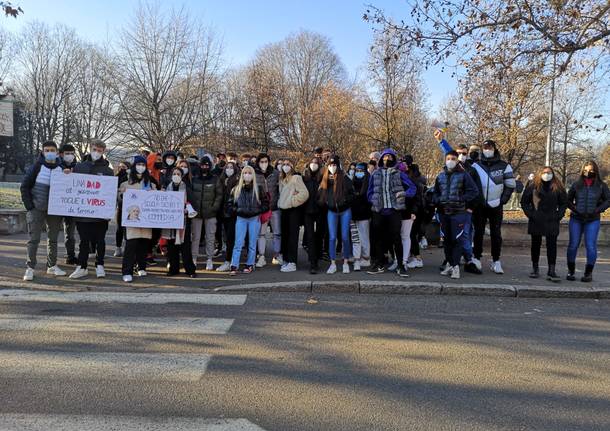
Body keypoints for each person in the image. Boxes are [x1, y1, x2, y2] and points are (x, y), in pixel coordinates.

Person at [20, 141, 67, 281]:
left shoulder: (61, 168)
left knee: (52, 239)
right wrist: (30, 206)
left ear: (57, 152)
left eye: (52, 150)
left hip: (54, 210)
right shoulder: (36, 167)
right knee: (33, 239)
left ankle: (52, 266)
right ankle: (30, 268)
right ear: (42, 151)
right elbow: (24, 187)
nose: (50, 152)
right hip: (36, 209)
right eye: (47, 150)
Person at [69, 139, 114, 279]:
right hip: (82, 214)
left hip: (100, 214)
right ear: (90, 149)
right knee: (83, 241)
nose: (97, 153)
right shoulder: (79, 167)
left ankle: (99, 265)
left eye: (100, 151)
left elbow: (110, 193)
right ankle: (82, 266)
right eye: (94, 149)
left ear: (103, 152)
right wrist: (66, 174)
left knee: (100, 240)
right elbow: (71, 186)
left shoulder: (108, 171)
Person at [366, 148, 416, 276]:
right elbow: (369, 191)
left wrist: (404, 194)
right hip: (379, 211)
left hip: (394, 210)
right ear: (381, 158)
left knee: (396, 238)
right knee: (378, 239)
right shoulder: (376, 174)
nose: (387, 159)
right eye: (385, 156)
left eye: (390, 157)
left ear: (394, 159)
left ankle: (400, 265)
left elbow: (412, 187)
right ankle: (379, 264)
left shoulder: (399, 173)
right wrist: (373, 200)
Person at [432, 151, 480, 279]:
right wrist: (437, 200)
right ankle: (450, 264)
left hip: (458, 213)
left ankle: (456, 266)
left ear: (457, 160)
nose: (450, 161)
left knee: (457, 240)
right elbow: (435, 192)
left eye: (453, 158)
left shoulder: (464, 175)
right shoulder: (440, 176)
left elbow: (474, 191)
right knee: (446, 241)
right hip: (443, 212)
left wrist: (461, 199)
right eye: (448, 158)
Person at [471, 139, 516, 274]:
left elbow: (510, 185)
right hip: (480, 206)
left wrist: (502, 201)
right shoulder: (476, 166)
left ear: (495, 149)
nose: (487, 149)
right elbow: (471, 186)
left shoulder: (504, 166)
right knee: (478, 233)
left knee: (496, 234)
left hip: (496, 205)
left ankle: (496, 261)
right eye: (485, 147)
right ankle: (476, 258)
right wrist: (475, 202)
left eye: (490, 147)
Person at [520, 166, 567, 282]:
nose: (547, 175)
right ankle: (535, 268)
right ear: (540, 174)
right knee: (535, 245)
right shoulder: (533, 186)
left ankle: (551, 270)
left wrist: (558, 215)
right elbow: (524, 202)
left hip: (552, 219)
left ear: (553, 174)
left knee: (552, 246)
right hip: (536, 219)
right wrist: (531, 214)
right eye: (544, 172)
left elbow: (563, 203)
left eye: (549, 172)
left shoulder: (558, 187)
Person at [565, 161, 610, 282]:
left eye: (590, 170)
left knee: (591, 246)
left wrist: (597, 210)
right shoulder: (576, 184)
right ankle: (571, 271)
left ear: (595, 171)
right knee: (573, 245)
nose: (588, 172)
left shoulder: (601, 185)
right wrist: (574, 208)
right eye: (585, 170)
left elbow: (608, 200)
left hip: (592, 219)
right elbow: (567, 200)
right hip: (576, 218)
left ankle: (588, 273)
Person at [118, 156, 156, 282]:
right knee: (131, 245)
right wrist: (122, 194)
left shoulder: (149, 182)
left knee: (144, 244)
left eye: (143, 165)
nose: (141, 167)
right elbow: (119, 199)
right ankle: (127, 271)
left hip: (146, 220)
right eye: (139, 164)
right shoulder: (126, 182)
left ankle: (141, 267)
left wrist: (156, 192)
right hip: (131, 220)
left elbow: (157, 197)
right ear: (134, 166)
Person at [228, 165, 269, 275]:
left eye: (249, 173)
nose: (247, 175)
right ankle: (234, 265)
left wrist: (257, 211)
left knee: (252, 243)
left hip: (254, 219)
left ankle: (250, 264)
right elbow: (230, 204)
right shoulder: (236, 189)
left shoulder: (259, 189)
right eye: (245, 173)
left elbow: (266, 204)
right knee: (238, 243)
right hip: (241, 218)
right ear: (242, 175)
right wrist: (238, 211)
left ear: (253, 175)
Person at [318, 156, 355, 274]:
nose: (332, 167)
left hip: (345, 211)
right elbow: (320, 194)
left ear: (338, 166)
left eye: (334, 165)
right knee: (332, 237)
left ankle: (345, 262)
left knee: (344, 237)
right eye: (330, 165)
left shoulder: (344, 178)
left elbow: (352, 194)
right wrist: (327, 202)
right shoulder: (325, 179)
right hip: (332, 211)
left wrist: (345, 201)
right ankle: (332, 263)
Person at [162, 167, 197, 278]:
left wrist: (188, 209)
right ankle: (173, 269)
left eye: (178, 174)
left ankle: (190, 270)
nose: (176, 175)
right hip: (170, 222)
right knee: (172, 248)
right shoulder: (167, 188)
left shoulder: (186, 188)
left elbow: (193, 203)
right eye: (174, 173)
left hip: (183, 223)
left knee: (185, 248)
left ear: (182, 176)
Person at [190, 156, 223, 270]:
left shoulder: (215, 179)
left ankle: (209, 259)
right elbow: (191, 195)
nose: (205, 167)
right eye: (203, 165)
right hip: (196, 213)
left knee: (210, 237)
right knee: (195, 237)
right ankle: (194, 258)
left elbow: (219, 194)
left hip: (210, 213)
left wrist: (214, 207)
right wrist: (193, 208)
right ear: (200, 166)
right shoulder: (194, 179)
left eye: (207, 165)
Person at [278, 159, 309, 272]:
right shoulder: (282, 179)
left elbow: (304, 193)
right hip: (284, 211)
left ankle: (292, 262)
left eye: (288, 165)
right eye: (284, 164)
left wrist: (292, 201)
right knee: (285, 236)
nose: (285, 166)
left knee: (292, 237)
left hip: (293, 211)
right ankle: (286, 259)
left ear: (292, 166)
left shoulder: (296, 178)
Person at [254, 153, 281, 268]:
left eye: (265, 161)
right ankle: (262, 256)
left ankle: (277, 255)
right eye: (261, 162)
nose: (263, 164)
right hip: (262, 209)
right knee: (261, 234)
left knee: (277, 233)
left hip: (274, 207)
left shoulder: (276, 173)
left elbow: (280, 188)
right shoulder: (255, 173)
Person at [302, 157, 326, 274]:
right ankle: (313, 263)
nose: (313, 165)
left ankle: (318, 256)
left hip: (320, 210)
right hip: (307, 211)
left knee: (319, 235)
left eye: (316, 163)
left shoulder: (322, 177)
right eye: (312, 162)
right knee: (310, 236)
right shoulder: (304, 178)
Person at [216, 161, 240, 272]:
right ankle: (231, 260)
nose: (229, 169)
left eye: (231, 167)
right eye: (227, 167)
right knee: (226, 237)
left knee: (231, 238)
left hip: (233, 214)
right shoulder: (221, 180)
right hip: (223, 213)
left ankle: (229, 261)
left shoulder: (237, 181)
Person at [59, 143, 78, 265]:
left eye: (72, 153)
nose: (70, 156)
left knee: (70, 233)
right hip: (59, 204)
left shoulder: (79, 167)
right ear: (61, 154)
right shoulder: (56, 166)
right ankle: (52, 261)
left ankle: (70, 256)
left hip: (74, 205)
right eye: (67, 153)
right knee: (55, 235)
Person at [350, 162, 372, 270]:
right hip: (353, 215)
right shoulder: (352, 183)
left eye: (361, 171)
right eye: (357, 171)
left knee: (364, 237)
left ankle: (366, 258)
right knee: (355, 237)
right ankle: (357, 257)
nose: (358, 173)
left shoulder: (368, 183)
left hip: (364, 215)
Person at [113, 160, 130, 257]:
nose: (121, 169)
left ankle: (126, 247)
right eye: (120, 167)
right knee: (119, 228)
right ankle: (118, 247)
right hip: (120, 206)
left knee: (127, 228)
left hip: (128, 206)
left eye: (124, 167)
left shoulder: (130, 178)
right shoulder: (116, 177)